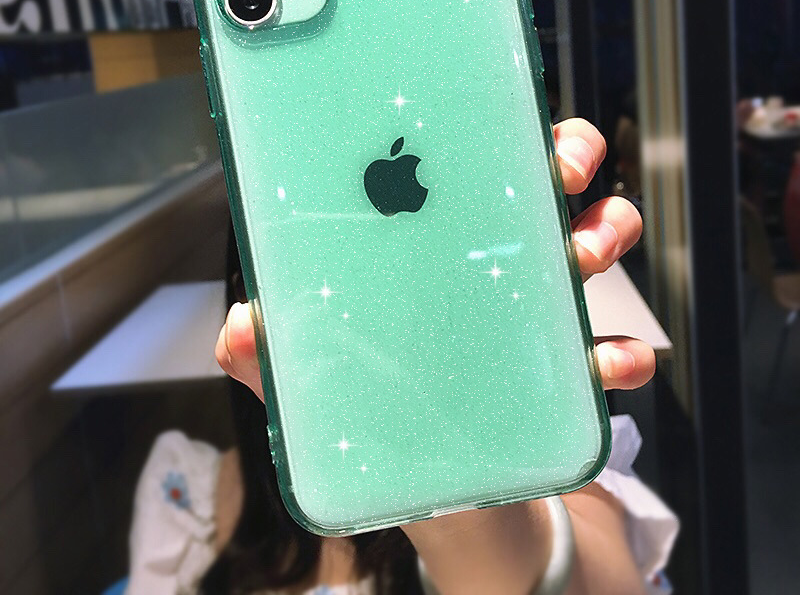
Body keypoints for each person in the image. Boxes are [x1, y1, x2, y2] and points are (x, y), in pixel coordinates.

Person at [127, 118, 674, 595]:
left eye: (417, 271)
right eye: (334, 263)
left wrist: (442, 456)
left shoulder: (550, 468)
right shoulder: (187, 498)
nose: (372, 308)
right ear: (247, 286)